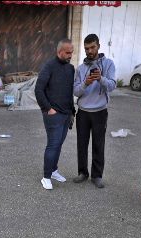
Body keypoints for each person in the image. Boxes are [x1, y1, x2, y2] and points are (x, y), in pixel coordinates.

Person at [73, 34, 117, 188]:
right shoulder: (80, 68)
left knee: (99, 144)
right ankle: (82, 172)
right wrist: (85, 83)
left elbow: (112, 86)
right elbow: (76, 92)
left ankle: (97, 176)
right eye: (86, 48)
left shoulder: (109, 64)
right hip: (83, 112)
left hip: (100, 112)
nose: (89, 51)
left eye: (92, 47)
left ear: (98, 45)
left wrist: (100, 79)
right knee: (82, 144)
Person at [35, 39, 76, 191]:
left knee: (59, 144)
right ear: (59, 52)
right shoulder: (49, 67)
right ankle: (46, 177)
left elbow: (69, 92)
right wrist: (48, 109)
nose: (70, 55)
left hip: (66, 114)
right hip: (53, 114)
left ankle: (53, 171)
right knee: (53, 144)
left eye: (72, 52)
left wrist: (72, 111)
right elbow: (39, 89)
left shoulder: (71, 68)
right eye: (67, 52)